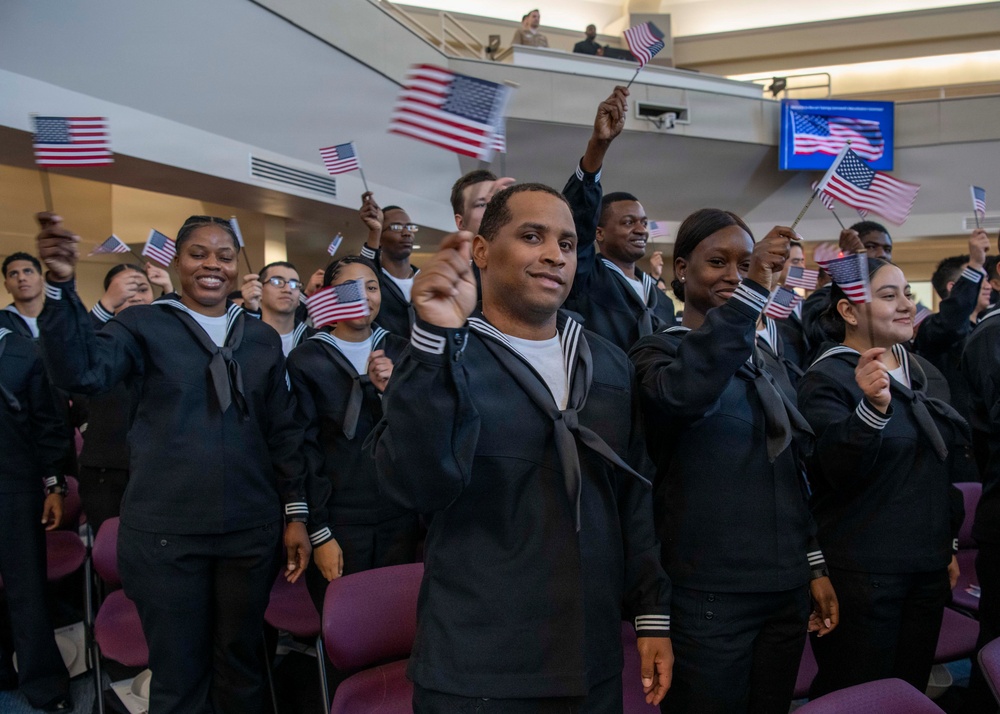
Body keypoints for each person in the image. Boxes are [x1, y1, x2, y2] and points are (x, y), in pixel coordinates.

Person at [373, 183, 673, 712]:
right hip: (479, 663)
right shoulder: (443, 356)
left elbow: (632, 492)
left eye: (567, 242)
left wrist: (651, 612)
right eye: (532, 236)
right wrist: (434, 340)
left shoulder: (607, 363)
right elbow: (417, 483)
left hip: (590, 657)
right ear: (482, 252)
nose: (554, 254)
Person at [35, 212, 314, 714]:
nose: (212, 265)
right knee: (179, 674)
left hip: (248, 533)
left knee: (242, 665)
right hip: (167, 534)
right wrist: (59, 288)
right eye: (198, 254)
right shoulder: (142, 325)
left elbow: (284, 432)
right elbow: (82, 372)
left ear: (236, 266)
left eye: (224, 256)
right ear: (177, 262)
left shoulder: (260, 339)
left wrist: (295, 512)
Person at [630, 208, 838, 714]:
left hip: (783, 586)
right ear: (681, 269)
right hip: (707, 595)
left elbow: (790, 473)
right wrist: (749, 299)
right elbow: (687, 393)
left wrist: (812, 562)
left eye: (747, 267)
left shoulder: (768, 363)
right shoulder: (654, 354)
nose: (734, 276)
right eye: (718, 262)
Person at [797, 257, 965, 697]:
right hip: (865, 573)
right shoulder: (828, 377)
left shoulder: (922, 372)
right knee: (858, 692)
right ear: (849, 312)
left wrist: (946, 544)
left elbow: (939, 467)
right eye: (889, 296)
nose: (907, 304)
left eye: (907, 293)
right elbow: (830, 471)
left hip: (925, 566)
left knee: (907, 691)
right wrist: (870, 410)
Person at [287, 255, 415, 613]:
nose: (364, 296)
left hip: (399, 516)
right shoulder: (307, 359)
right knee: (348, 624)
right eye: (351, 288)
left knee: (397, 624)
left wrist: (394, 392)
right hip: (341, 519)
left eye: (371, 287)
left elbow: (421, 436)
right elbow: (303, 450)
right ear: (330, 295)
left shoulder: (403, 350)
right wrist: (320, 531)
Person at [563, 86, 675, 352]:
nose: (641, 230)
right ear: (599, 232)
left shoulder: (662, 301)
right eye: (628, 222)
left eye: (644, 222)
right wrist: (598, 146)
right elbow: (577, 221)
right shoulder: (585, 277)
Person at [0, 325, 72, 712]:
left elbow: (48, 422)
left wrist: (54, 485)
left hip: (14, 486)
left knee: (26, 592)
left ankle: (44, 685)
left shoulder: (21, 350)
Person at [76, 264, 168, 532]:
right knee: (112, 557)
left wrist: (169, 291)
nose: (137, 297)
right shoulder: (101, 340)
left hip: (159, 469)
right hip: (107, 470)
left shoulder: (166, 338)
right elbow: (76, 361)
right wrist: (103, 306)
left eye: (143, 289)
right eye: (126, 291)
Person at [913, 229, 991, 425]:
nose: (989, 286)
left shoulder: (984, 328)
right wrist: (974, 265)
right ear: (953, 287)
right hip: (958, 437)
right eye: (980, 280)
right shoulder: (934, 327)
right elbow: (952, 322)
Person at [801, 222, 892, 362]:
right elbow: (818, 331)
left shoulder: (892, 294)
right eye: (871, 247)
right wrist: (850, 264)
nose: (882, 254)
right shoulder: (824, 296)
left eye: (887, 249)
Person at [359, 197, 419, 337]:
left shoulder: (427, 279)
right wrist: (374, 231)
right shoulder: (374, 282)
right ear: (380, 238)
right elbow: (360, 274)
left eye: (410, 227)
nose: (406, 233)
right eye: (396, 227)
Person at [240, 261, 314, 355]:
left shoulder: (315, 340)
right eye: (277, 282)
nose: (287, 289)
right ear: (259, 290)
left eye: (294, 284)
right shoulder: (241, 335)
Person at [2, 252, 45, 338]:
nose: (21, 278)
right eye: (13, 274)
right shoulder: (2, 322)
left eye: (28, 271)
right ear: (6, 286)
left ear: (42, 280)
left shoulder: (60, 318)